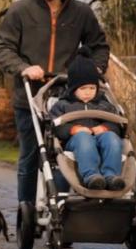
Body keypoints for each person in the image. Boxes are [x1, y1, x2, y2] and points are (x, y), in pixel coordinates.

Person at [0, 0, 110, 207]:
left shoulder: (81, 13)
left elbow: (99, 47)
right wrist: (23, 67)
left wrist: (95, 69)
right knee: (31, 155)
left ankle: (61, 208)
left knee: (63, 153)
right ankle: (26, 210)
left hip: (70, 98)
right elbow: (2, 48)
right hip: (30, 98)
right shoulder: (20, 11)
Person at [49, 50, 125, 190]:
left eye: (92, 88)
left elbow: (116, 124)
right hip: (76, 141)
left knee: (112, 138)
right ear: (73, 89)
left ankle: (111, 176)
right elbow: (56, 127)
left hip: (101, 137)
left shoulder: (103, 104)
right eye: (83, 88)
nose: (88, 92)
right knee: (83, 138)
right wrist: (73, 129)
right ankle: (91, 176)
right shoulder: (63, 105)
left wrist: (105, 128)